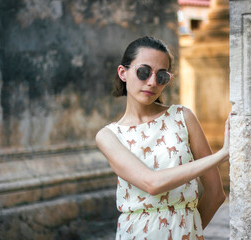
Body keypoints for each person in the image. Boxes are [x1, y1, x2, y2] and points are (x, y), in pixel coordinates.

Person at [96, 36, 229, 240]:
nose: (152, 82)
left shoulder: (182, 117)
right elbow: (152, 183)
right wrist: (222, 155)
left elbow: (216, 194)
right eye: (143, 72)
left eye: (162, 76)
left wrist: (189, 232)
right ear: (123, 72)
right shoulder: (109, 136)